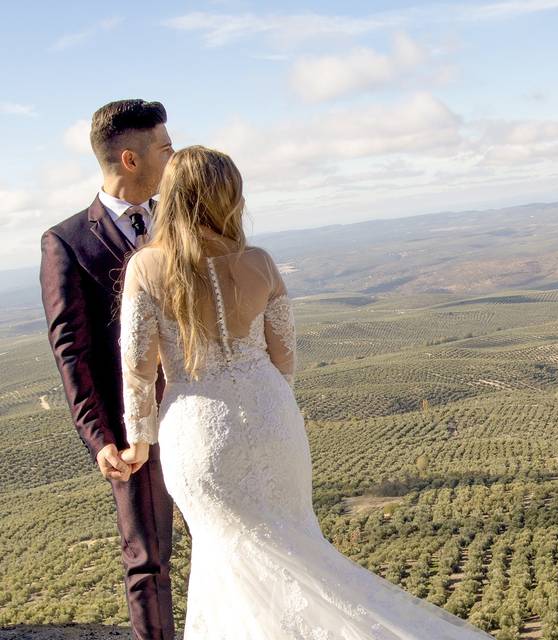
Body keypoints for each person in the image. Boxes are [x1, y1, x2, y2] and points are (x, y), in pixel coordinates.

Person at [115, 145, 493, 639]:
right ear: (230, 196)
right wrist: (271, 403)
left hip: (199, 428)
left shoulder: (147, 267)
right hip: (274, 418)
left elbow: (138, 369)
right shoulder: (261, 263)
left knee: (227, 555)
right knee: (297, 547)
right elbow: (284, 355)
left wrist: (138, 440)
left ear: (174, 195)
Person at [39, 99, 176, 640]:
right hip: (130, 429)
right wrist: (99, 437)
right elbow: (70, 352)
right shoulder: (66, 243)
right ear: (131, 158)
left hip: (204, 407)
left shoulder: (183, 220)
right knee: (148, 559)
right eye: (165, 147)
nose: (174, 156)